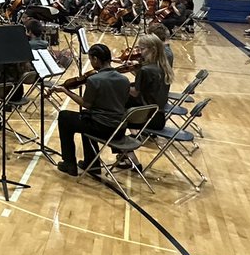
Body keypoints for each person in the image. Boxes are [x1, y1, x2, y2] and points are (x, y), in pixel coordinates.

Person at [54, 43, 130, 178]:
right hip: (119, 128)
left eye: (90, 59)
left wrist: (66, 91)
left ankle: (69, 163)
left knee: (65, 117)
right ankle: (92, 163)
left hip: (102, 127)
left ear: (95, 59)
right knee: (86, 118)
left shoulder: (94, 80)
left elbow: (86, 104)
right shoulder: (124, 79)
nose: (91, 63)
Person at [114, 33, 172, 171]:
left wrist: (120, 84)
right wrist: (135, 71)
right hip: (158, 116)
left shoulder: (146, 69)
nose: (139, 52)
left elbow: (135, 92)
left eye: (142, 49)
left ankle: (132, 159)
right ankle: (127, 154)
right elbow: (146, 85)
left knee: (113, 120)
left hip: (146, 117)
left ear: (153, 49)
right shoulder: (163, 66)